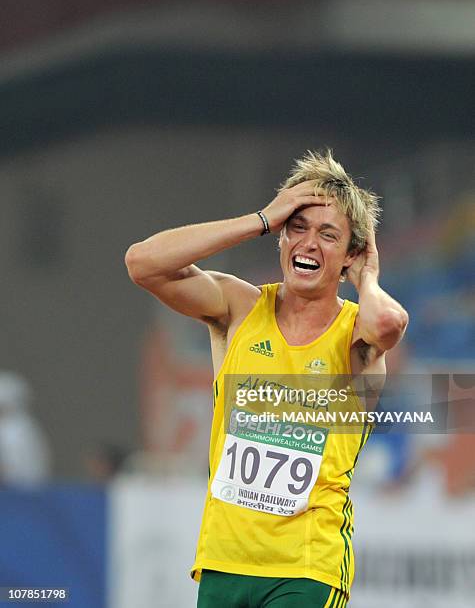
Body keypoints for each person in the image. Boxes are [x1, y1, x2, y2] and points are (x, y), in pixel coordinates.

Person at [125, 150, 408, 607]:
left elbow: (389, 326)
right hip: (224, 562)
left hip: (305, 567)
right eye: (298, 228)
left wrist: (369, 275)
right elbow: (143, 263)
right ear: (280, 237)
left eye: (328, 235)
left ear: (349, 256)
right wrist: (259, 219)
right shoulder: (238, 308)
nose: (309, 244)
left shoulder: (356, 333)